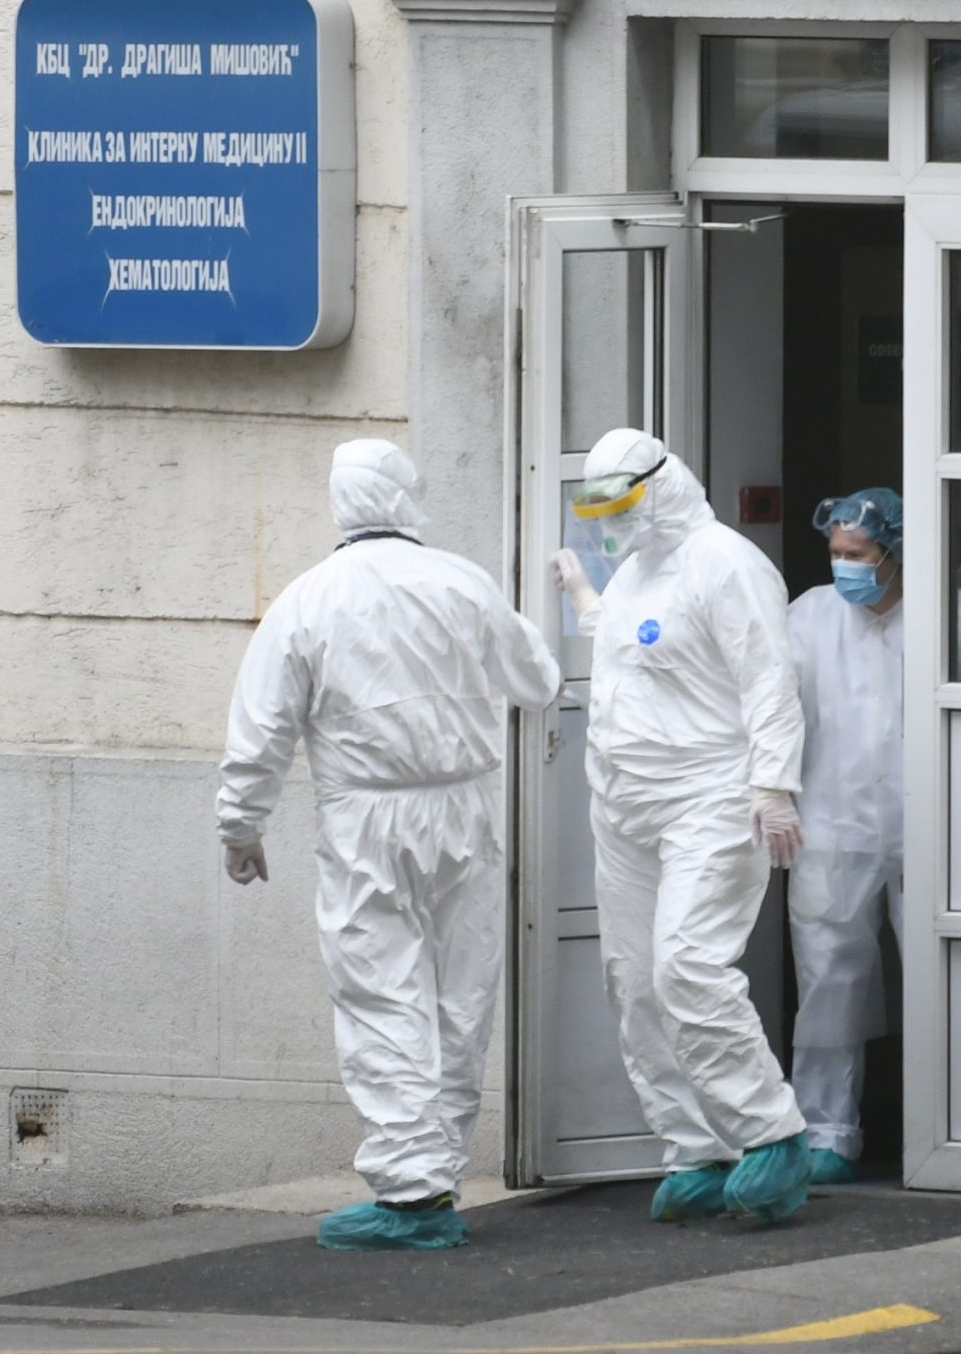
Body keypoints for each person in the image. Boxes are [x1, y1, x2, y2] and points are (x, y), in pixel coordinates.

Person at [220, 439, 562, 1252]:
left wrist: (241, 827)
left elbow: (260, 728)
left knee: (383, 998)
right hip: (467, 815)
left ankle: (413, 1193)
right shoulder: (462, 581)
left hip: (368, 823)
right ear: (408, 498)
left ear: (342, 503)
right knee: (458, 997)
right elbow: (538, 680)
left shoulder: (308, 601)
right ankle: (433, 1171)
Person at [550, 429, 813, 1227]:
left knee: (687, 965)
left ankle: (771, 1132)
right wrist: (586, 601)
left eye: (619, 505)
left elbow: (768, 678)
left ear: (658, 488)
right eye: (593, 509)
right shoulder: (633, 572)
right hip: (625, 805)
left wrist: (774, 782)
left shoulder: (724, 561)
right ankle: (693, 1144)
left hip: (708, 798)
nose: (606, 524)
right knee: (633, 980)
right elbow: (643, 655)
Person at [787, 488, 961, 1184]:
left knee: (940, 977)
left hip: (928, 829)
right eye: (835, 554)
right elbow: (772, 711)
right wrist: (770, 792)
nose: (844, 568)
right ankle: (824, 1129)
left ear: (894, 554)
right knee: (828, 982)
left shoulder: (952, 615)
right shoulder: (809, 617)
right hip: (832, 828)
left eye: (857, 555)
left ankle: (958, 1125)